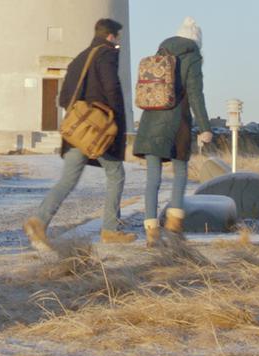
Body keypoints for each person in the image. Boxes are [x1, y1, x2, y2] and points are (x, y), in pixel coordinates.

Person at [25, 18, 132, 249]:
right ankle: (110, 229)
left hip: (77, 132)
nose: (119, 42)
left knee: (68, 180)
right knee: (116, 174)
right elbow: (111, 87)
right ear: (111, 36)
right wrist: (115, 118)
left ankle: (39, 221)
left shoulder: (79, 60)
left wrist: (81, 112)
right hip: (98, 131)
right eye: (118, 37)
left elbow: (64, 99)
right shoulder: (106, 54)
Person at [131, 17, 211, 245]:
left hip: (150, 120)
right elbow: (196, 94)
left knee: (152, 179)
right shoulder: (192, 56)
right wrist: (205, 127)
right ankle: (174, 228)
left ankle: (151, 232)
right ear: (197, 40)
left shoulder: (161, 52)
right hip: (177, 123)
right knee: (180, 172)